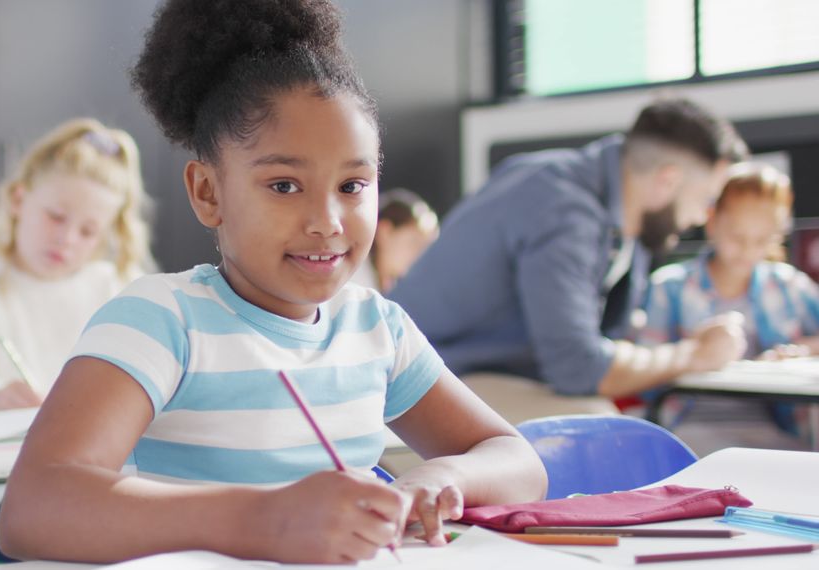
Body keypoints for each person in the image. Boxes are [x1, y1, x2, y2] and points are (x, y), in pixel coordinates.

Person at [0, 0, 547, 565]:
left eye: (353, 185)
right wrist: (268, 518)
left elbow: (518, 460)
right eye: (284, 185)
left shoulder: (377, 329)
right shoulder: (164, 319)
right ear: (209, 192)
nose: (327, 221)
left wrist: (440, 476)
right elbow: (34, 507)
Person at [389, 98, 750, 424]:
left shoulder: (618, 220)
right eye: (706, 197)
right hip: (422, 379)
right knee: (606, 432)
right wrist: (695, 354)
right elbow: (578, 368)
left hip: (481, 375)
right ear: (667, 180)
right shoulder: (564, 209)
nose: (702, 216)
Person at [0, 117, 155, 560]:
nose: (66, 239)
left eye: (87, 231)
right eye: (56, 216)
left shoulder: (120, 287)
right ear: (19, 199)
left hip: (111, 483)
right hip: (2, 493)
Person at [634, 163, 819, 452]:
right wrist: (694, 350)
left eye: (761, 240)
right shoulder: (670, 287)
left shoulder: (788, 285)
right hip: (689, 428)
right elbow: (642, 377)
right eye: (737, 237)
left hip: (776, 429)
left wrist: (804, 348)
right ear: (711, 220)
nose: (747, 250)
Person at [349, 187, 440, 293]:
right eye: (414, 243)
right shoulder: (352, 285)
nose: (420, 255)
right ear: (385, 232)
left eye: (427, 248)